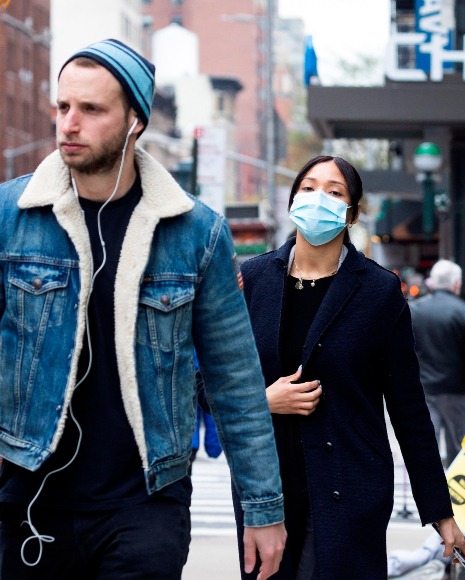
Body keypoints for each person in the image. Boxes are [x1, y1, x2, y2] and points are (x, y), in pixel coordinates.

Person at [0, 40, 286, 579]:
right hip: (28, 501)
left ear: (136, 119)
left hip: (146, 505)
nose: (69, 123)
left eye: (91, 109)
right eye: (63, 107)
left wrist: (263, 509)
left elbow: (236, 380)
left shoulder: (196, 232)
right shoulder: (9, 217)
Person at [237, 155, 465, 579]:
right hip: (266, 492)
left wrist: (441, 512)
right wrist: (261, 401)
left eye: (334, 191)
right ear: (292, 200)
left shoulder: (379, 291)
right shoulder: (251, 280)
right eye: (308, 188)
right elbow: (202, 383)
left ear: (353, 212)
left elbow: (408, 408)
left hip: (349, 488)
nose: (317, 198)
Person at [409, 259, 465, 467]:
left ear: (432, 282)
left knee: (426, 446)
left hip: (423, 389)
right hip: (456, 391)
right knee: (457, 446)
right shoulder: (464, 312)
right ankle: (455, 493)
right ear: (457, 284)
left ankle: (430, 495)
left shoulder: (414, 310)